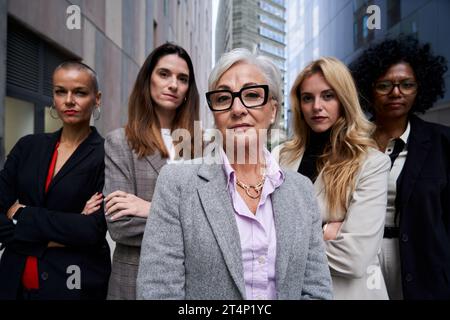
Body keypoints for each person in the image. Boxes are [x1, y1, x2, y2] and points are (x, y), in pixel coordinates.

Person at [136, 48, 333, 300]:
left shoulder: (302, 190)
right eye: (223, 98)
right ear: (215, 113)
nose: (237, 109)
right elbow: (157, 291)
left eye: (252, 95)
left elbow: (317, 290)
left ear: (273, 110)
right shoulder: (177, 183)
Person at [273, 57, 390, 299]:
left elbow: (354, 258)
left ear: (343, 99)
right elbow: (260, 231)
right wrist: (324, 230)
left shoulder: (371, 163)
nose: (317, 106)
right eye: (308, 98)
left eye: (328, 96)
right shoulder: (280, 156)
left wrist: (282, 240)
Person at [350, 36, 450, 300]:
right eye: (384, 85)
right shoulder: (350, 144)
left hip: (425, 264)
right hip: (359, 261)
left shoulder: (443, 143)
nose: (396, 93)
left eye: (407, 84)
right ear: (368, 89)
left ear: (420, 88)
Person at [0, 61, 111, 300]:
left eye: (79, 92)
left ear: (97, 98)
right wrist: (68, 227)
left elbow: (91, 231)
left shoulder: (106, 154)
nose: (69, 100)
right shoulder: (27, 146)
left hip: (73, 285)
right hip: (13, 281)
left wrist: (21, 215)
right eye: (61, 91)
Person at [103, 43, 200, 300]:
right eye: (164, 74)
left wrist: (149, 208)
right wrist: (193, 221)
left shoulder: (203, 146)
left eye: (183, 79)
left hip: (193, 283)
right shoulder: (120, 142)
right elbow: (120, 226)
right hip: (134, 282)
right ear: (148, 79)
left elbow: (219, 222)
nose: (173, 85)